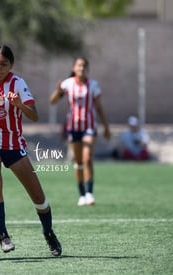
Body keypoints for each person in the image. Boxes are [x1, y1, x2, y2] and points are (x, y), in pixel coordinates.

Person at [0, 45, 62, 257]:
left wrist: (20, 105)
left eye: (4, 64)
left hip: (14, 146)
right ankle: (3, 235)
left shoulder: (17, 83)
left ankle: (48, 232)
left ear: (11, 65)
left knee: (39, 199)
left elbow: (34, 115)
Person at [50, 57, 111, 206]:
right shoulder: (68, 84)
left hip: (89, 127)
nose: (81, 68)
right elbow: (52, 101)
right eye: (79, 65)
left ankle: (90, 193)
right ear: (74, 68)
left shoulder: (93, 85)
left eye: (84, 66)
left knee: (87, 158)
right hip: (73, 127)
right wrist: (58, 92)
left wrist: (106, 127)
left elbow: (99, 107)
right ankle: (81, 194)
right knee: (78, 162)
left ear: (87, 69)